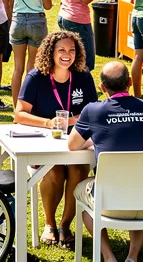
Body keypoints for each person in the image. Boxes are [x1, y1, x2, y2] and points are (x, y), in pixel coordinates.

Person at [68, 61, 143, 262]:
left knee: (81, 189)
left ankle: (109, 257)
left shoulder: (92, 110)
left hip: (109, 204)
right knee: (140, 188)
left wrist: (96, 141)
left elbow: (72, 145)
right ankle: (132, 256)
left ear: (102, 88)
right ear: (131, 82)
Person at [14, 30, 98, 247]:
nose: (67, 54)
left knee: (78, 170)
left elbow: (95, 111)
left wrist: (75, 122)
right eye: (61, 50)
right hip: (46, 142)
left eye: (72, 50)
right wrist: (49, 123)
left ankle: (65, 224)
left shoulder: (83, 76)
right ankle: (49, 224)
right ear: (51, 52)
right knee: (54, 170)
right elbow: (19, 113)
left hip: (77, 143)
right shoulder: (36, 77)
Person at [8, 0, 53, 104]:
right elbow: (48, 5)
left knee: (17, 68)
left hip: (17, 21)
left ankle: (16, 107)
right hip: (36, 22)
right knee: (32, 68)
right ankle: (30, 105)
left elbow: (10, 2)